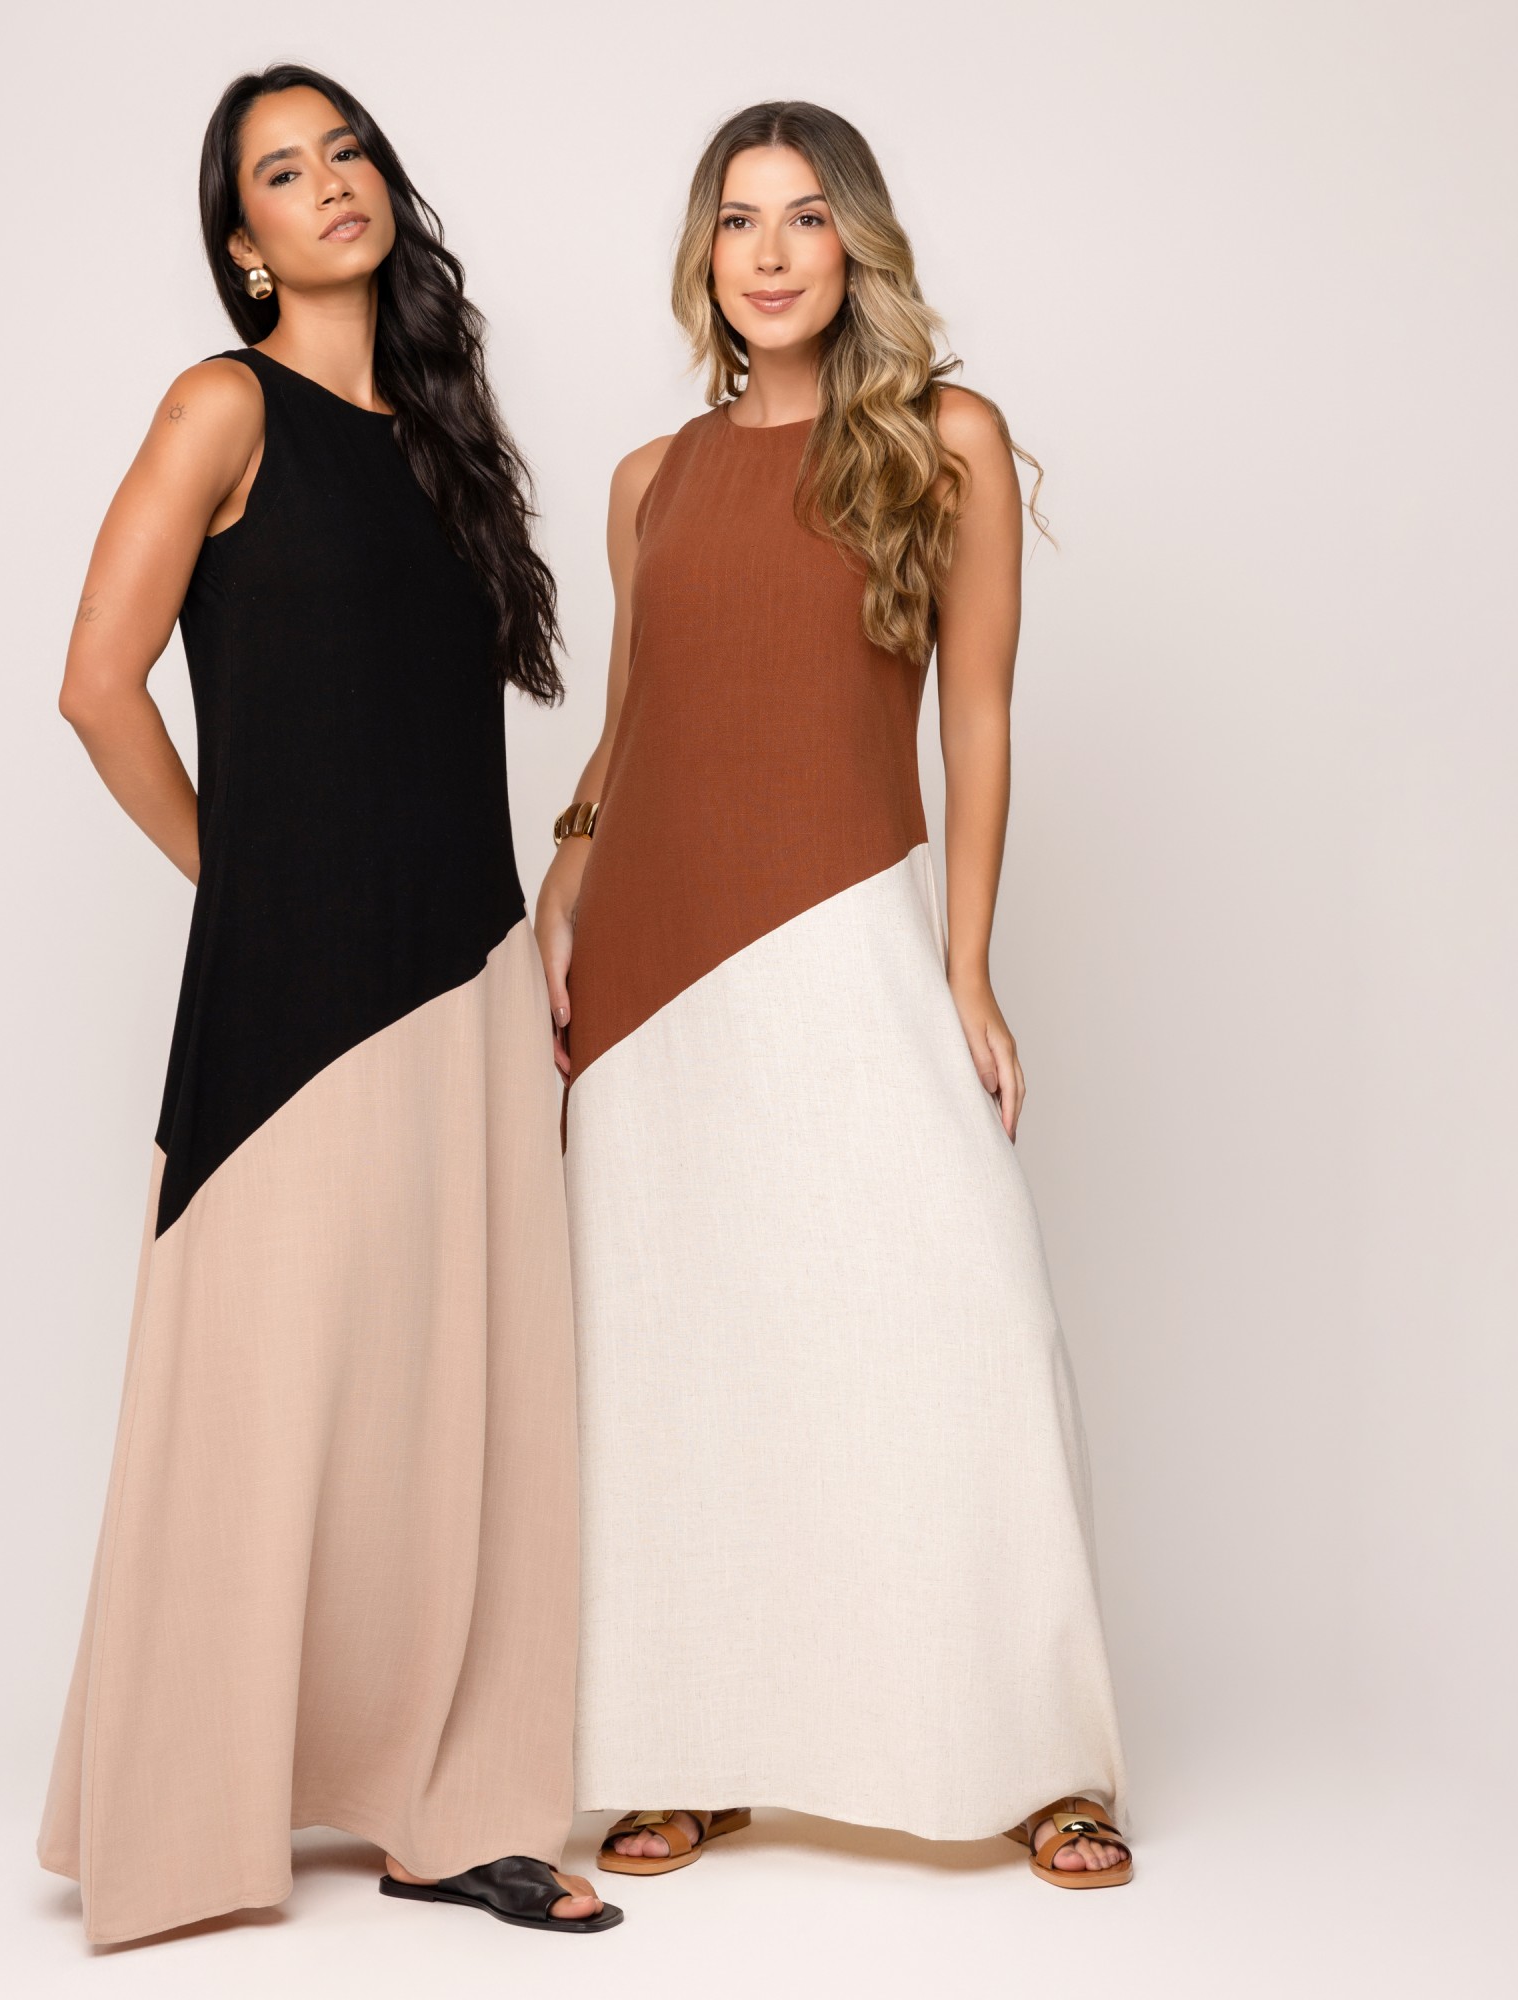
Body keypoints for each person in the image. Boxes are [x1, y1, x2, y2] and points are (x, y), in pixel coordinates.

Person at [38, 64, 617, 1941]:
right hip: (298, 984)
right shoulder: (221, 405)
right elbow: (98, 681)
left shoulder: (447, 435)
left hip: (468, 964)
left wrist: (546, 923)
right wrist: (242, 878)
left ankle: (444, 1806)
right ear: (246, 244)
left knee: (456, 1393)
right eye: (284, 174)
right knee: (262, 1378)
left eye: (346, 151)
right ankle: (184, 1814)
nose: (330, 185)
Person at [537, 100, 1131, 1891]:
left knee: (959, 1319)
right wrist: (566, 875)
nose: (772, 252)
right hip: (652, 963)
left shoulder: (945, 440)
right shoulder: (647, 478)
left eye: (806, 216)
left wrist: (966, 963)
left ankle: (1038, 1756)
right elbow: (631, 724)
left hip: (851, 926)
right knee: (680, 1352)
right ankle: (686, 1749)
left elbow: (979, 716)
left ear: (856, 243)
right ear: (704, 257)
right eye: (739, 220)